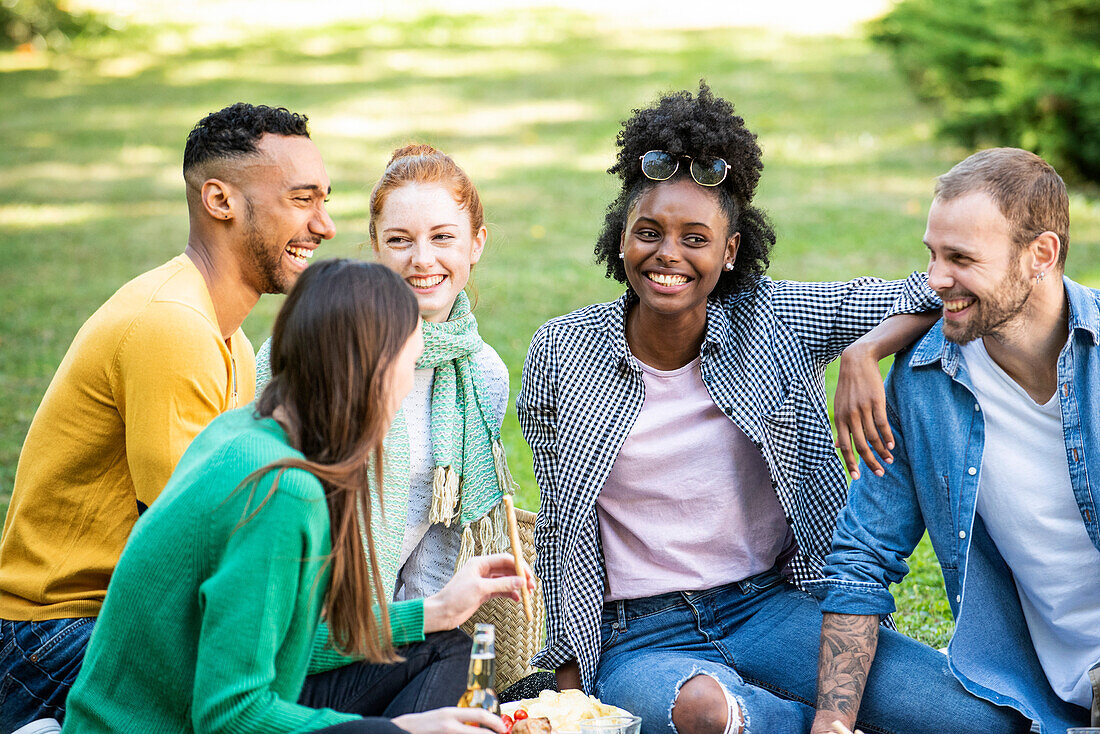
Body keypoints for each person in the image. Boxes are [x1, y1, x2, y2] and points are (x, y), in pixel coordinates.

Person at [516, 83, 1018, 734]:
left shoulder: (773, 317)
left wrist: (864, 354)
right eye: (649, 232)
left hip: (769, 607)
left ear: (729, 253)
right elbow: (560, 532)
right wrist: (570, 696)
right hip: (640, 637)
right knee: (707, 711)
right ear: (621, 239)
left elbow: (932, 291)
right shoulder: (562, 350)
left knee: (979, 724)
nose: (668, 254)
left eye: (695, 237)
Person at [62, 259, 532, 734]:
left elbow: (288, 641)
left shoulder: (246, 429)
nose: (409, 385)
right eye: (409, 365)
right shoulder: (280, 492)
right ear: (369, 376)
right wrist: (400, 731)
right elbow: (230, 716)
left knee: (443, 643)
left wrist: (436, 610)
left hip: (164, 708)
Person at [0, 102, 335, 732]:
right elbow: (200, 542)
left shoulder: (225, 338)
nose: (326, 224)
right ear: (220, 200)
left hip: (108, 620)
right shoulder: (172, 328)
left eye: (325, 199)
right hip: (60, 637)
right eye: (302, 198)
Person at [809, 148, 1099, 734]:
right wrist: (832, 721)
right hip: (1024, 687)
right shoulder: (923, 383)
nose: (935, 279)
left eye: (960, 258)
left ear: (1040, 254)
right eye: (932, 255)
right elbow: (864, 555)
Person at [256, 144, 513, 604]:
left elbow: (441, 540)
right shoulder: (315, 342)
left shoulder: (481, 374)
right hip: (292, 606)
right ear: (375, 245)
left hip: (389, 620)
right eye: (399, 240)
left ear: (476, 243)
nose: (422, 259)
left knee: (457, 664)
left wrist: (412, 632)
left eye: (442, 238)